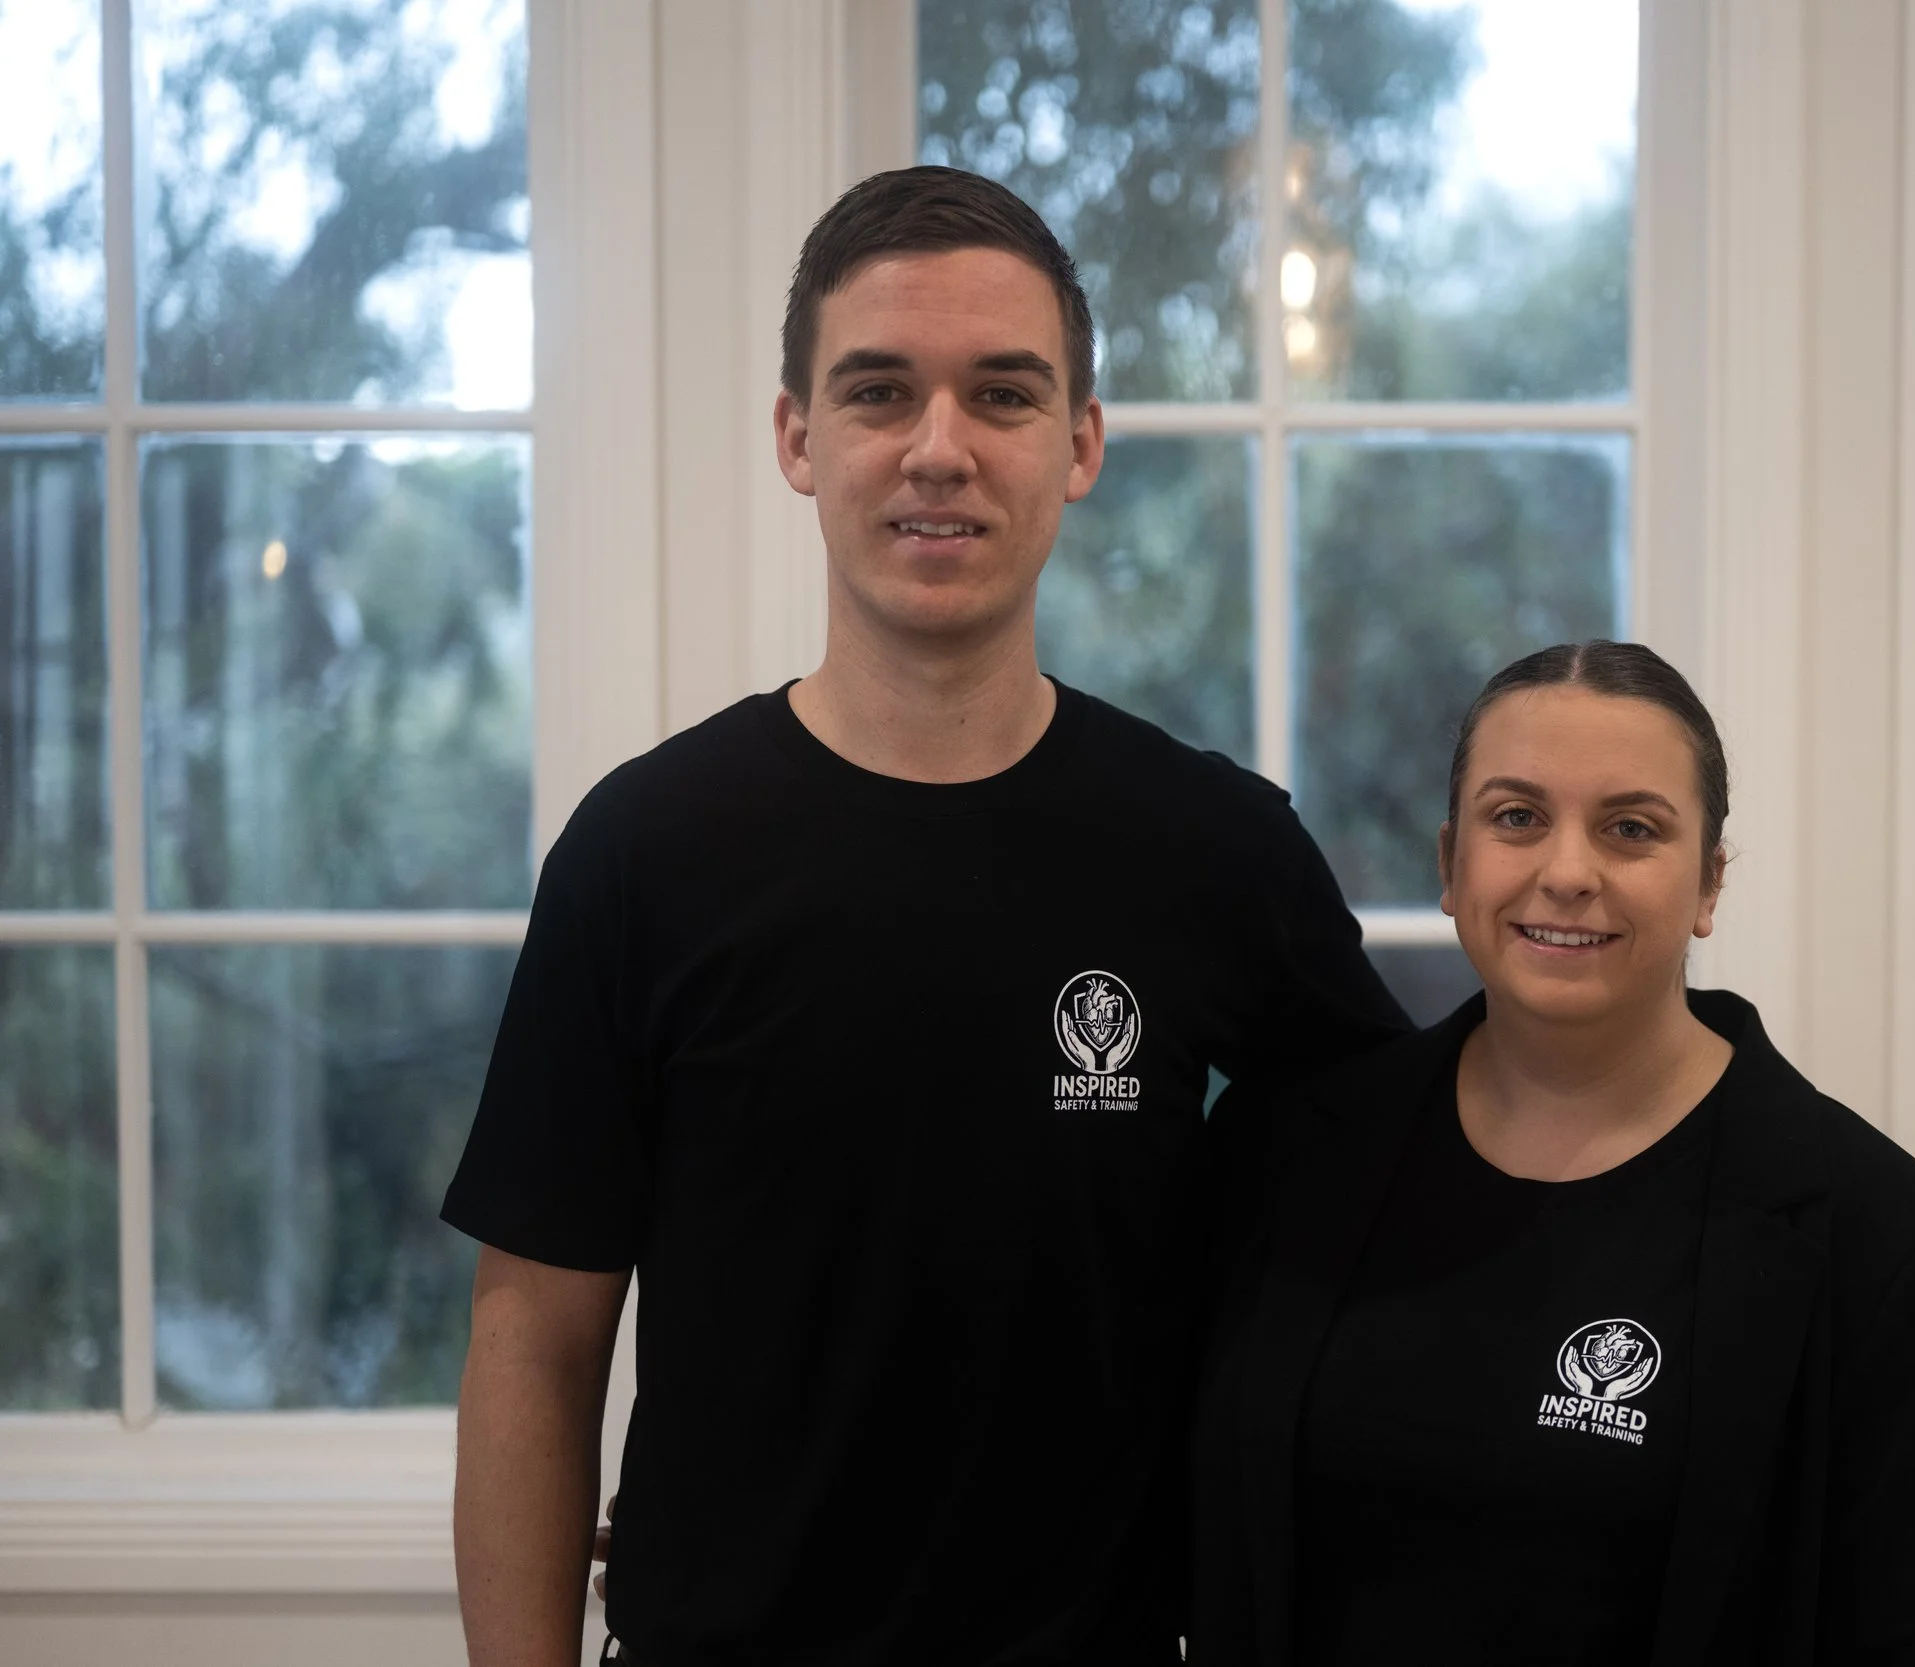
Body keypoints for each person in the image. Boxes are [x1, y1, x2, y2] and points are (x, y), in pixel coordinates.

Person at [440, 166, 1408, 1667]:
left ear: (1080, 443)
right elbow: (535, 1345)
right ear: (796, 437)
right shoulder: (647, 849)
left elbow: (1390, 1230)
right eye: (880, 391)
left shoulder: (1213, 850)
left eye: (1004, 395)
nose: (939, 449)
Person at [1189, 641, 1915, 1666]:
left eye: (1631, 828)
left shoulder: (1887, 1247)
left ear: (1709, 881)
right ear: (1451, 863)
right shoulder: (1281, 1159)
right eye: (1516, 816)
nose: (1567, 872)